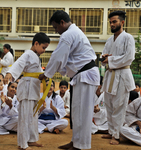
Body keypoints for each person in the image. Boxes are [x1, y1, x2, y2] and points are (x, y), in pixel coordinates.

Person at [39, 10, 100, 150]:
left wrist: (47, 73)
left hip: (86, 76)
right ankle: (75, 141)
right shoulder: (73, 32)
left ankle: (82, 145)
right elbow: (65, 60)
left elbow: (58, 57)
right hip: (81, 76)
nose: (56, 31)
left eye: (55, 27)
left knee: (83, 113)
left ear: (62, 23)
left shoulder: (68, 34)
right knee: (77, 112)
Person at [5, 32, 50, 150]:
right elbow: (18, 64)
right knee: (24, 117)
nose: (44, 50)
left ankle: (32, 139)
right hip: (26, 88)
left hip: (33, 88)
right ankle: (22, 143)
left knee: (33, 116)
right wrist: (10, 73)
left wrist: (44, 75)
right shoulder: (28, 54)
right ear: (36, 43)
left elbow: (37, 73)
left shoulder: (36, 57)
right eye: (43, 47)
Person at [100, 11, 135, 145]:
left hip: (122, 75)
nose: (112, 24)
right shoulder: (109, 40)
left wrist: (110, 59)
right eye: (110, 22)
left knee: (119, 106)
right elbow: (104, 55)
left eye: (114, 21)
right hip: (110, 74)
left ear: (122, 22)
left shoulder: (128, 38)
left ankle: (117, 134)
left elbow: (129, 57)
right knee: (109, 104)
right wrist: (105, 59)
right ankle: (110, 131)